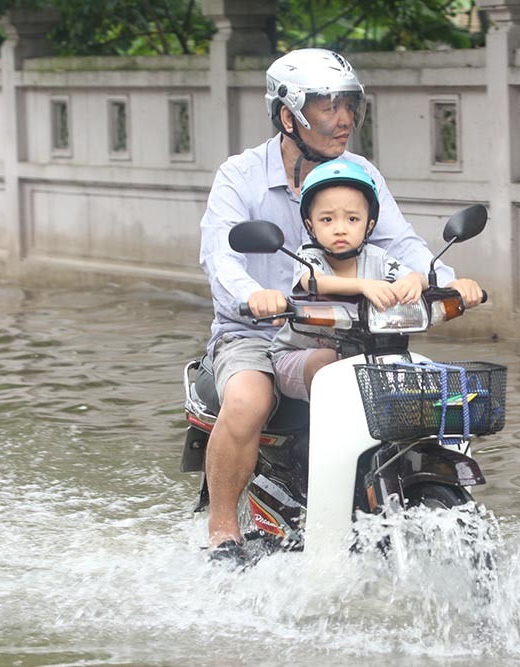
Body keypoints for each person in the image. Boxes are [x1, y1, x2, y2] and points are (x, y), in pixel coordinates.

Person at [198, 48, 482, 562]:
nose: (344, 119)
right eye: (328, 107)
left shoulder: (358, 171)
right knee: (247, 401)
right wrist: (254, 296)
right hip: (256, 334)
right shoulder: (239, 177)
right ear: (289, 116)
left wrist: (446, 279)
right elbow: (222, 259)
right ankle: (223, 536)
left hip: (352, 330)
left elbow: (402, 245)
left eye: (350, 105)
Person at [270, 160, 426, 400]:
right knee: (328, 363)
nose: (340, 229)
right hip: (298, 355)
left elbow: (411, 275)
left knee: (414, 371)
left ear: (369, 225)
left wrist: (416, 280)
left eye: (352, 219)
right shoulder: (308, 256)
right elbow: (316, 282)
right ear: (310, 226)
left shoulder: (378, 258)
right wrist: (364, 285)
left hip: (363, 357)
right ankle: (330, 436)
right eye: (327, 220)